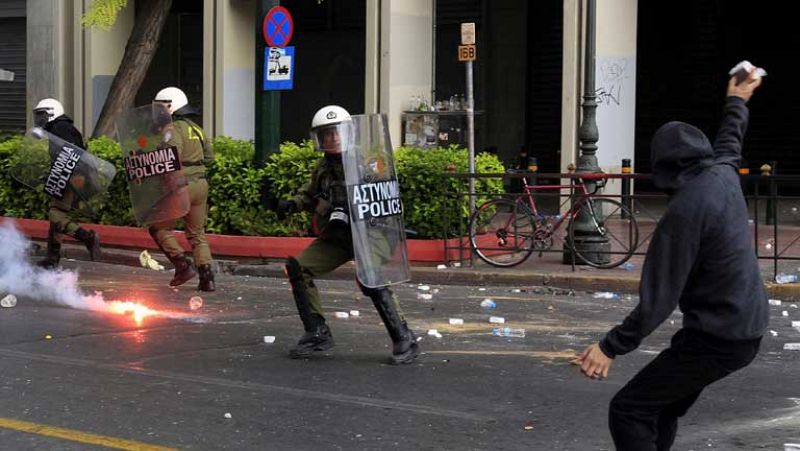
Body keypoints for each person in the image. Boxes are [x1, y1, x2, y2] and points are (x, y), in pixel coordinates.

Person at [573, 69, 768, 450]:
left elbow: (658, 299)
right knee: (660, 407)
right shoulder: (723, 172)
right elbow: (730, 140)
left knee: (628, 410)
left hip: (720, 337)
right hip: (741, 326)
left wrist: (610, 347)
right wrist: (737, 100)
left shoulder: (685, 212)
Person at [278, 105, 420, 364]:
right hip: (339, 235)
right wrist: (292, 204)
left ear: (349, 133)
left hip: (373, 232)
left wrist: (357, 208)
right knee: (298, 268)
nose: (332, 139)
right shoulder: (323, 168)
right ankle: (317, 332)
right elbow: (310, 194)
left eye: (337, 133)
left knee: (370, 278)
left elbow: (385, 195)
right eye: (326, 134)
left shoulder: (368, 163)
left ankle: (404, 337)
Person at [148, 87, 216, 292]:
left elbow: (169, 156)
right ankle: (207, 277)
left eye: (161, 106)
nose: (158, 111)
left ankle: (182, 265)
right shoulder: (196, 129)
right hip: (200, 184)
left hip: (181, 184)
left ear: (171, 106)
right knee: (197, 233)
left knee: (158, 228)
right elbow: (210, 157)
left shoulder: (172, 129)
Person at [33, 98, 101, 268]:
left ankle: (86, 237)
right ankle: (52, 259)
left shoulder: (59, 128)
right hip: (73, 176)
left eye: (42, 115)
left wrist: (57, 176)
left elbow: (68, 155)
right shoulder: (63, 127)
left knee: (55, 214)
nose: (39, 119)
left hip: (70, 177)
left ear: (51, 113)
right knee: (57, 214)